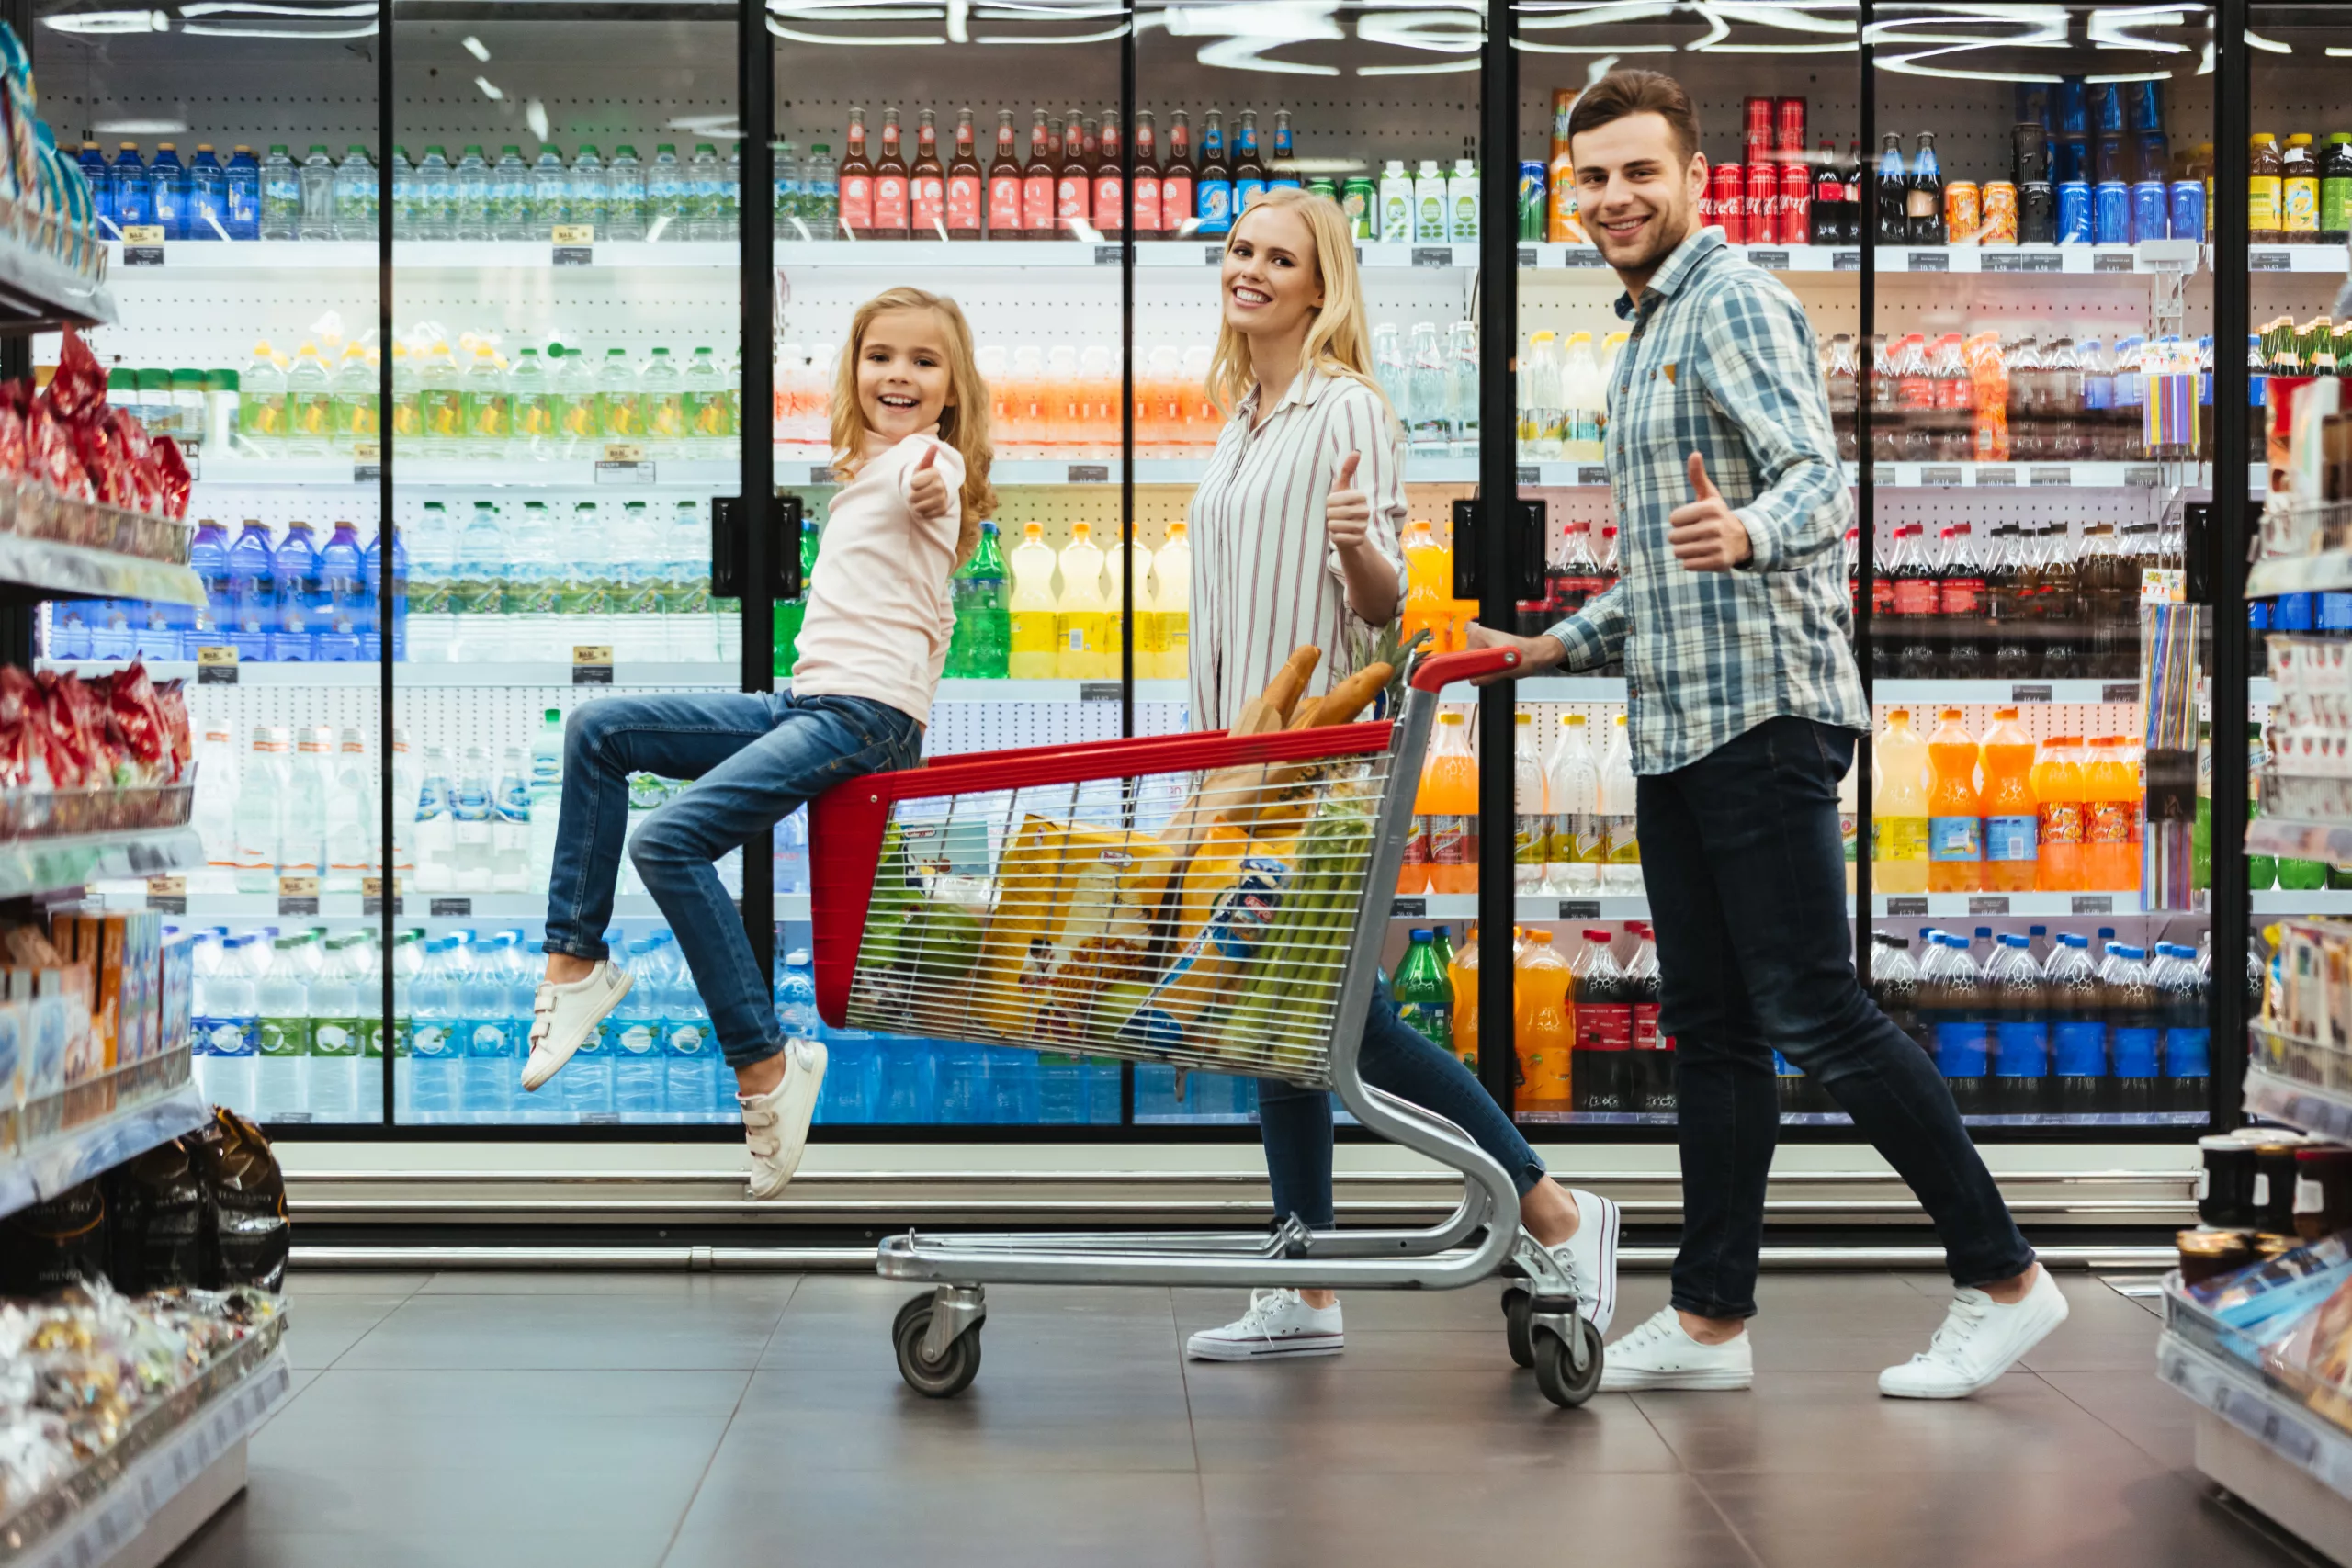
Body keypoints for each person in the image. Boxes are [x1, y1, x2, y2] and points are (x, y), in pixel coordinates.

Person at [1467, 69, 2066, 1399]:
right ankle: (1710, 1319)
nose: (1616, 196)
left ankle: (2006, 1273)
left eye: (1639, 172)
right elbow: (1666, 567)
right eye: (1595, 177)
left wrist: (1750, 527)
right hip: (1682, 717)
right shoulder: (1647, 327)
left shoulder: (1730, 298)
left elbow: (1814, 480)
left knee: (1815, 1006)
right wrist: (1556, 643)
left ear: (1692, 178)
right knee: (1717, 1025)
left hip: (1767, 712)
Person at [1177, 186, 1621, 1363]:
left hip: (1318, 762)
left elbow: (1378, 608)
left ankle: (1553, 1210)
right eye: (1240, 252)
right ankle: (1308, 1284)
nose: (1253, 271)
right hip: (1235, 756)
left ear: (1321, 289)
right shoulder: (1238, 416)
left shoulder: (1347, 408)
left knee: (1345, 1025)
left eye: (1281, 258)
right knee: (1275, 1024)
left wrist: (1358, 547)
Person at [519, 286, 993, 1198]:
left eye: (924, 362)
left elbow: (933, 479)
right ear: (853, 371)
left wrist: (931, 472)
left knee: (668, 840)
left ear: (950, 392)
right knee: (599, 731)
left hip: (863, 720)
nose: (898, 374)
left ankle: (765, 1065)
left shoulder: (923, 463)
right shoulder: (865, 473)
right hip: (811, 704)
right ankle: (573, 963)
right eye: (880, 356)